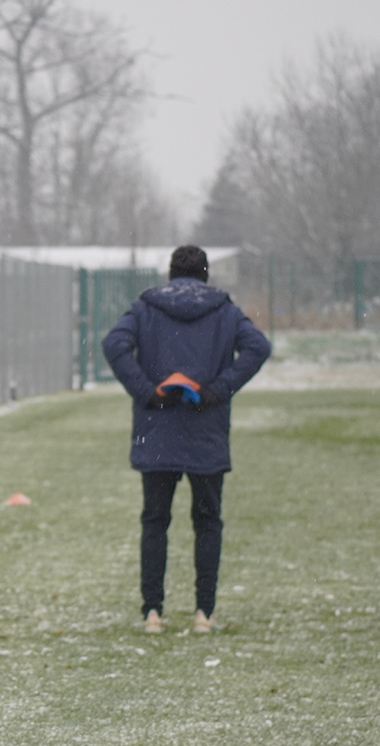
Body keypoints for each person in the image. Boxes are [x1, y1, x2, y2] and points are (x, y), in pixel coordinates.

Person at [101, 245, 270, 635]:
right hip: (205, 430)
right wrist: (217, 389)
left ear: (170, 274)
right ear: (206, 274)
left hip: (157, 430)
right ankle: (203, 612)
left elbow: (115, 345)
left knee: (155, 521)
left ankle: (152, 612)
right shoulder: (224, 310)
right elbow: (258, 347)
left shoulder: (145, 308)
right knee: (207, 521)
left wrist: (148, 390)